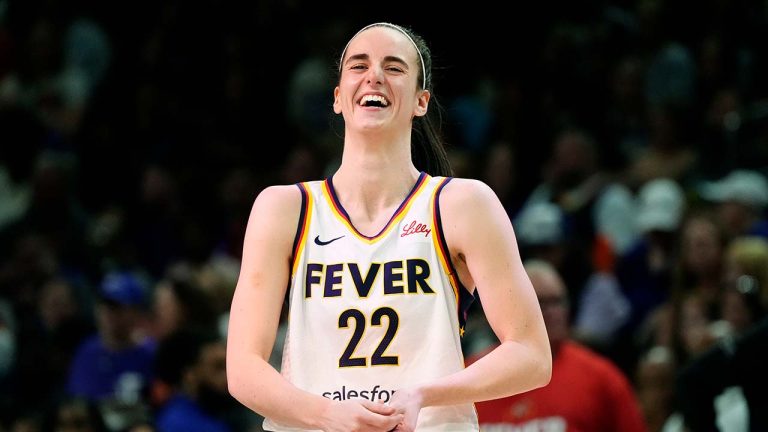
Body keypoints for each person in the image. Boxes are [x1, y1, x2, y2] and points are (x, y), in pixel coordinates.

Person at [226, 22, 552, 432]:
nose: (374, 75)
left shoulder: (463, 204)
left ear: (421, 101)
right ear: (338, 98)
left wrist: (423, 394)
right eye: (358, 65)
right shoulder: (284, 208)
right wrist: (329, 415)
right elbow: (242, 369)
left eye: (394, 67)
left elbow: (531, 355)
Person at [470, 260, 647, 432]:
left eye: (557, 302)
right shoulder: (469, 377)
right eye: (540, 303)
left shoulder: (602, 379)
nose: (553, 312)